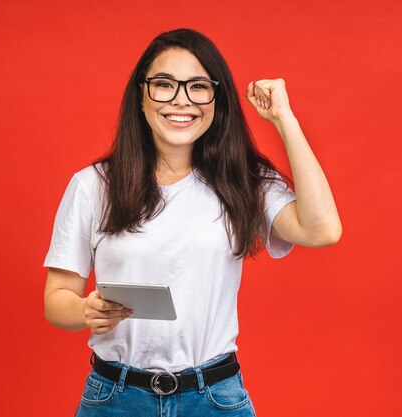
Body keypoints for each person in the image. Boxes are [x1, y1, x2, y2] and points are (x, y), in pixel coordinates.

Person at [43, 28, 341, 417]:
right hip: (115, 398)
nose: (181, 100)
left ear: (217, 98)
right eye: (165, 84)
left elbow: (322, 230)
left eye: (198, 86)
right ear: (141, 95)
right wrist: (85, 311)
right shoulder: (92, 185)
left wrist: (284, 118)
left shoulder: (243, 180)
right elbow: (56, 300)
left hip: (215, 397)